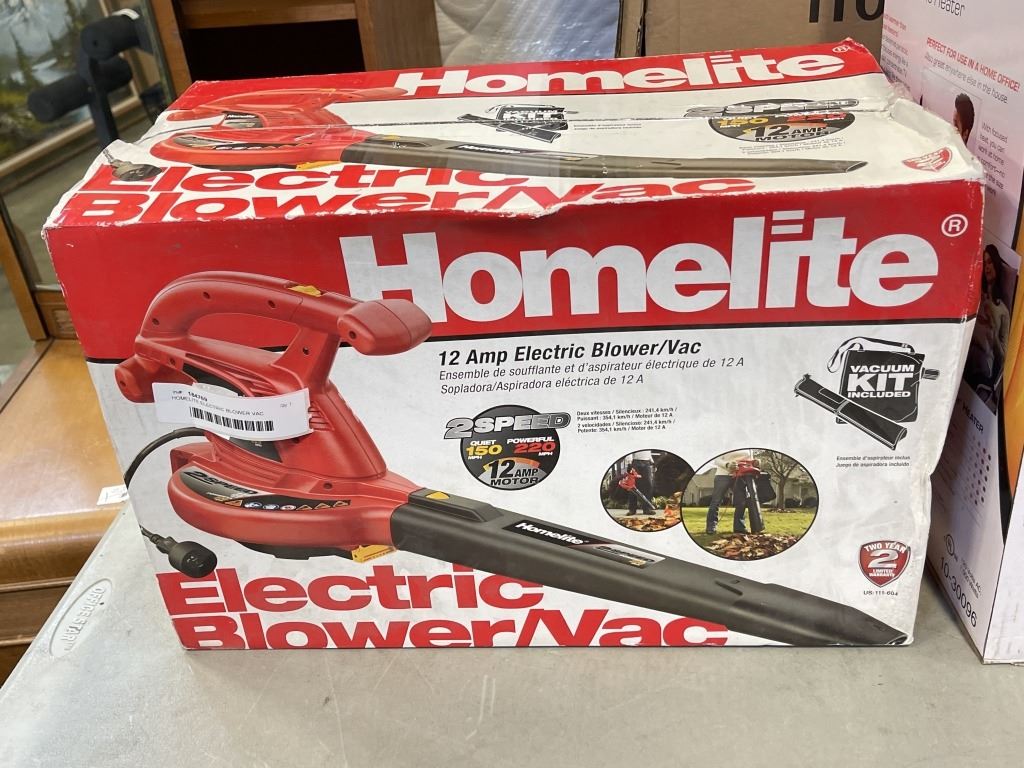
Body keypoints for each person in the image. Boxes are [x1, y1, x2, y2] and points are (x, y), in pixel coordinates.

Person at [965, 244, 1011, 406]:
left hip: (983, 365)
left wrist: (992, 330)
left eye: (990, 262)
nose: (987, 267)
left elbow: (1003, 356)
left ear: (996, 264)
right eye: (984, 263)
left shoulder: (1002, 311)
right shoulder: (977, 295)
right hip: (966, 354)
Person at [705, 449, 748, 533]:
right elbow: (717, 460)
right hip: (723, 475)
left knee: (741, 502)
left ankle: (739, 527)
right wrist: (727, 464)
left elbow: (750, 460)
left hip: (741, 475)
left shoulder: (749, 448)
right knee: (716, 501)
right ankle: (711, 526)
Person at [732, 453, 764, 534]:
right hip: (738, 476)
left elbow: (753, 460)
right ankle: (739, 528)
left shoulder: (749, 451)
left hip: (750, 475)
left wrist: (756, 462)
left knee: (754, 501)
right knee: (740, 503)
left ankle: (757, 528)